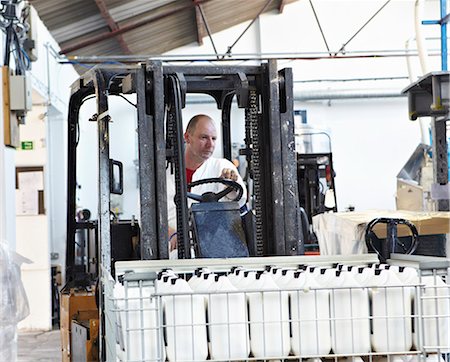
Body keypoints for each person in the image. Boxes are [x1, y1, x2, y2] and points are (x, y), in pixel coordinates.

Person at [167, 114, 247, 252]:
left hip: (215, 247)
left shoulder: (222, 167)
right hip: (172, 250)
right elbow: (145, 215)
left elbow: (240, 200)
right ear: (187, 138)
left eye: (214, 138)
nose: (210, 144)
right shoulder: (163, 172)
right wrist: (172, 235)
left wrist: (230, 186)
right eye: (204, 138)